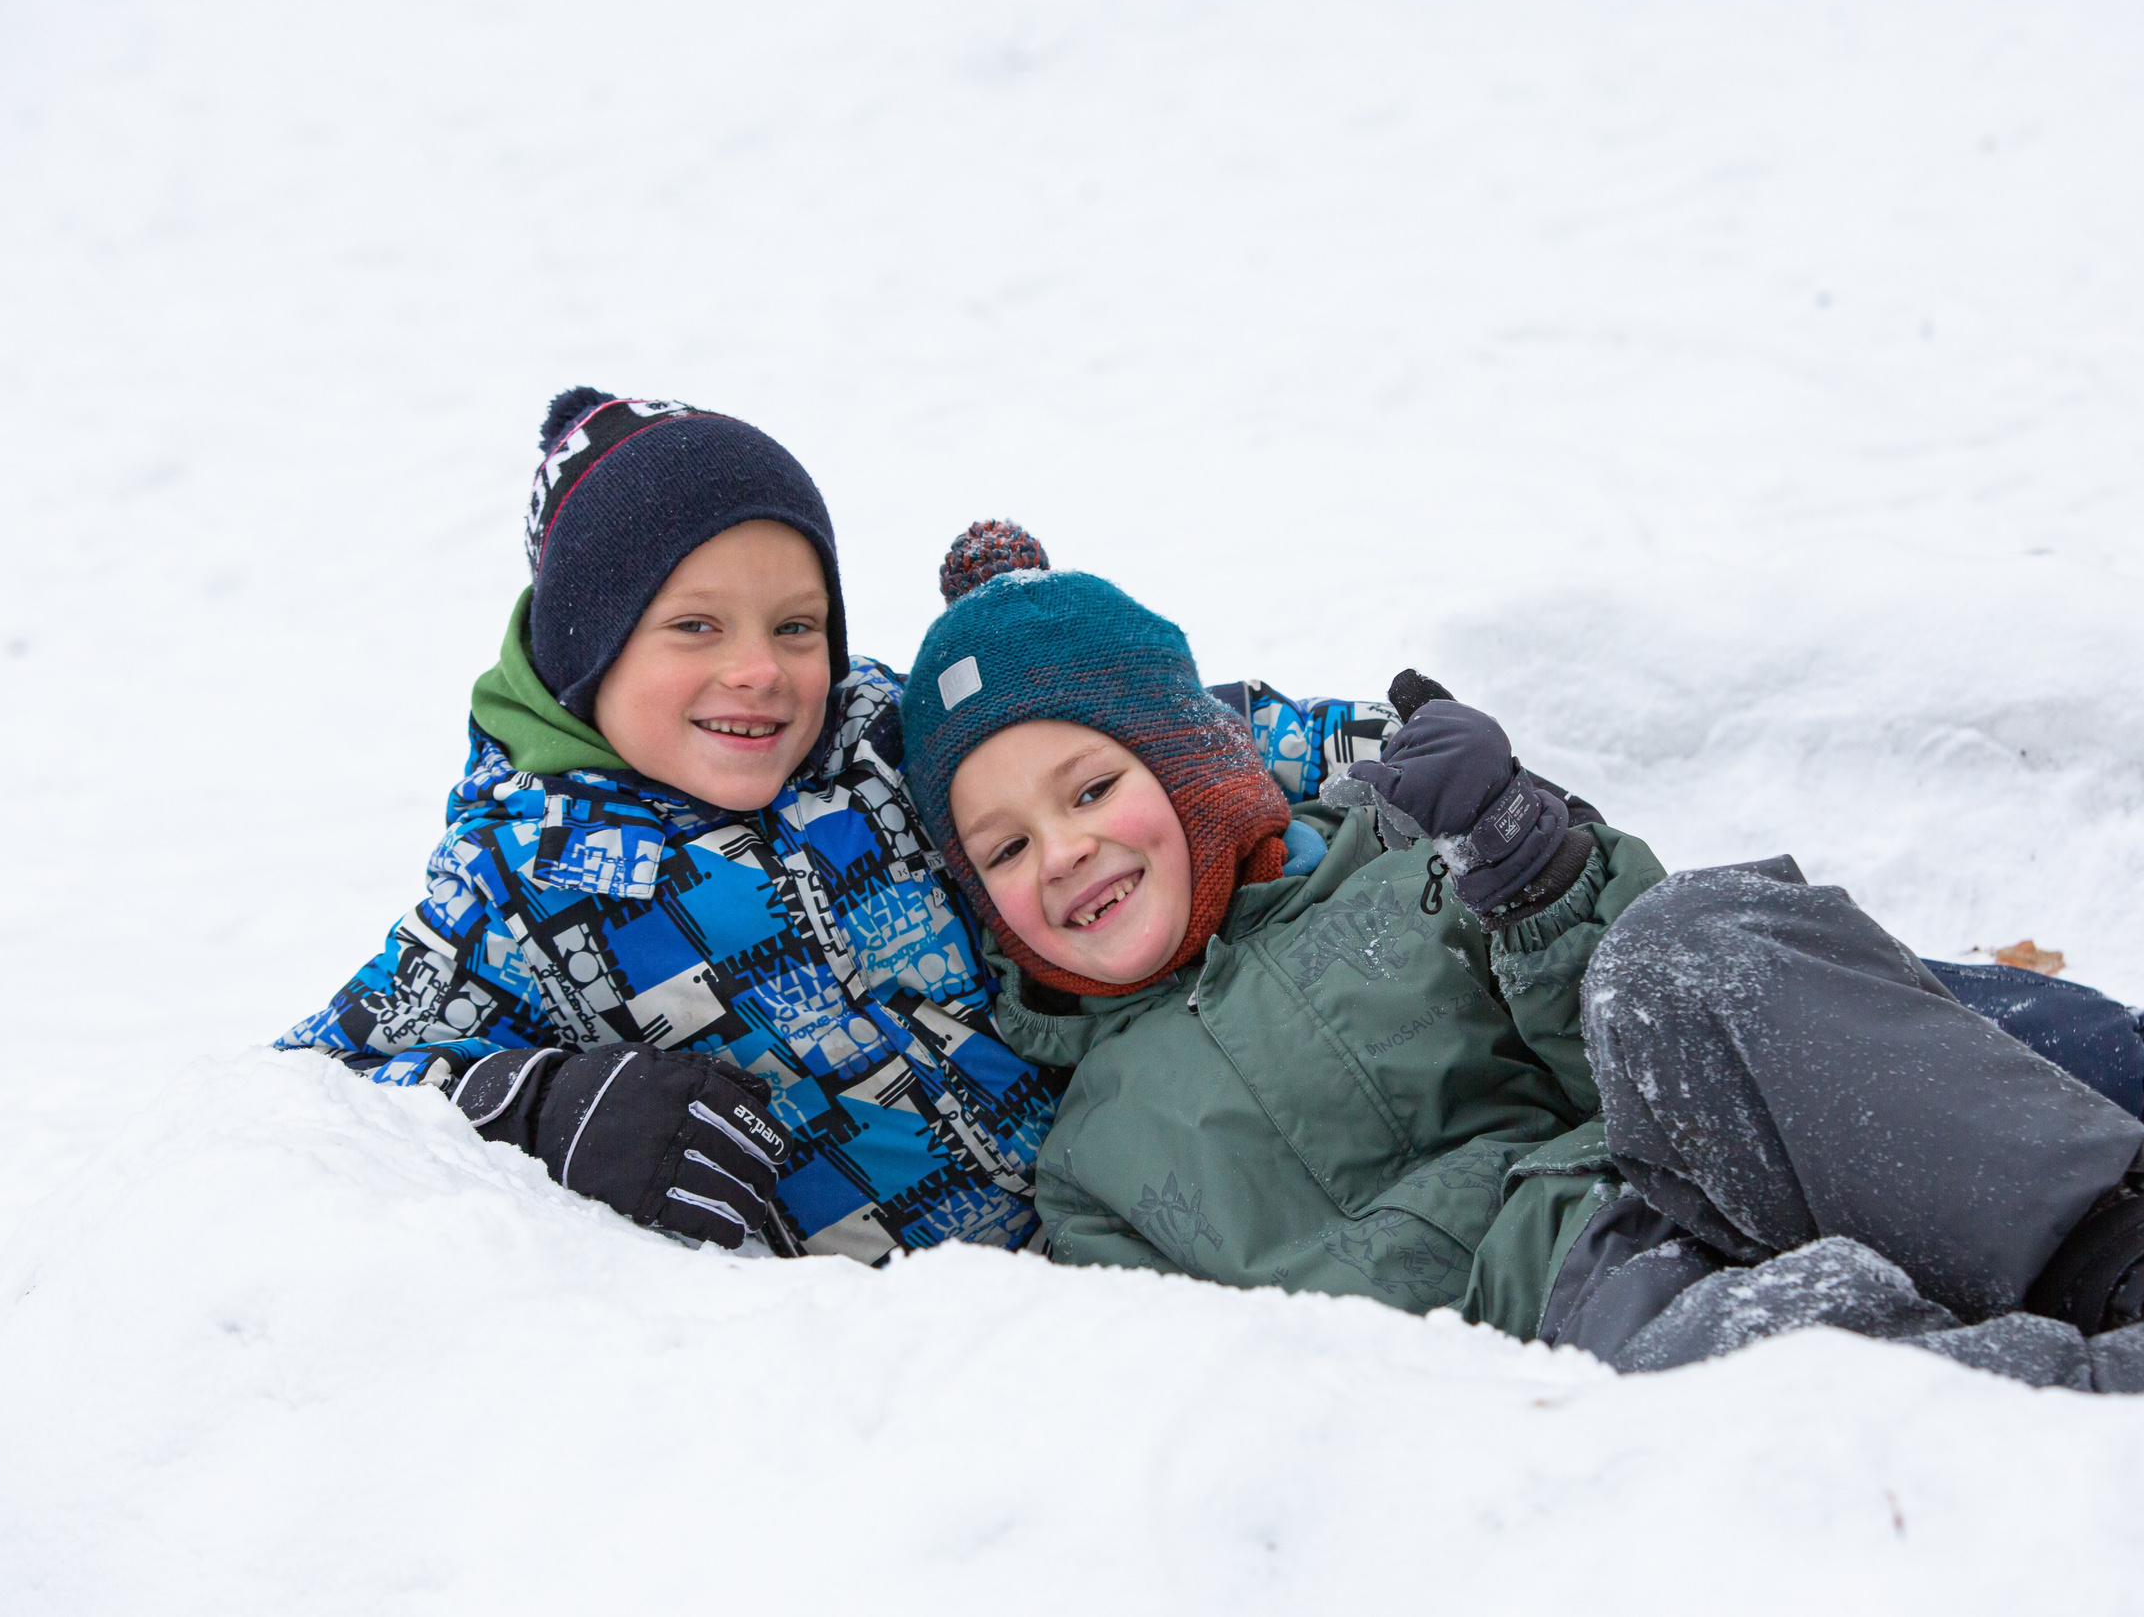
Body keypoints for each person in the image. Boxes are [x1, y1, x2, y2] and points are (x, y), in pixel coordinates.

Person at [897, 541, 2144, 1384]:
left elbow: (1604, 1010)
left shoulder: (1380, 858)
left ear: (1196, 766)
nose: (1065, 854)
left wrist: (1530, 861)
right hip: (1566, 1297)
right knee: (1783, 1363)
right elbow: (1204, 1383)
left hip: (1687, 1134)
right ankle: (2126, 1408)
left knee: (1693, 943)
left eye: (1091, 789)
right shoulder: (1092, 1161)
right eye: (1006, 846)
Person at [275, 391, 1391, 1261]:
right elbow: (311, 1100)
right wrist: (543, 1108)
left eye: (795, 624)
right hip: (892, 1359)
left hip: (1149, 1198)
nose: (757, 670)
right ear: (586, 648)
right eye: (695, 626)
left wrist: (1373, 745)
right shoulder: (516, 879)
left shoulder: (877, 733)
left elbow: (1125, 728)